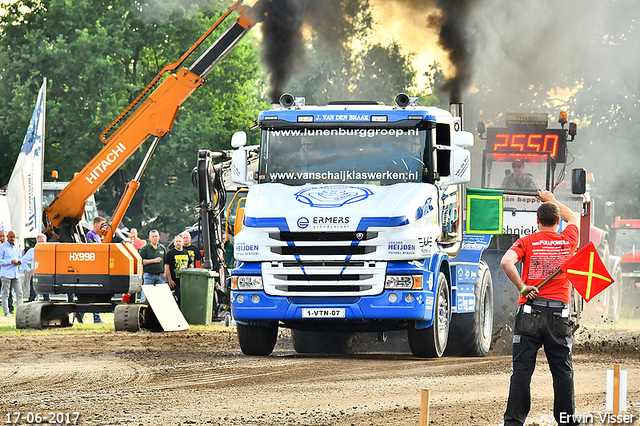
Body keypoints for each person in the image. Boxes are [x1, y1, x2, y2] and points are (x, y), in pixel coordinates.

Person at [500, 189, 580, 426]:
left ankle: (514, 422)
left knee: (522, 373)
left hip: (529, 313)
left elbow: (506, 262)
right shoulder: (569, 238)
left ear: (537, 221)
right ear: (557, 222)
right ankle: (566, 421)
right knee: (562, 372)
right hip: (559, 315)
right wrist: (551, 200)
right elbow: (573, 216)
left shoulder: (526, 241)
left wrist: (523, 287)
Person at [79, 216, 105, 323]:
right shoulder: (91, 235)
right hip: (93, 270)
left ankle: (81, 313)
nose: (103, 228)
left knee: (93, 295)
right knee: (95, 294)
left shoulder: (98, 236)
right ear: (96, 224)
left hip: (95, 269)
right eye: (102, 225)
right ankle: (95, 317)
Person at [138, 230, 166, 303]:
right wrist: (153, 260)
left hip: (160, 276)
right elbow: (141, 261)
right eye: (153, 236)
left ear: (159, 237)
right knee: (145, 297)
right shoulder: (145, 249)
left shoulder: (162, 248)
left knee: (162, 296)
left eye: (156, 236)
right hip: (149, 275)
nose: (154, 238)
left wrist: (165, 272)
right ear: (149, 238)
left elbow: (166, 262)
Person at [164, 234, 192, 308]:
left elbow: (190, 265)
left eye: (179, 241)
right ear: (174, 243)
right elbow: (167, 267)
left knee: (186, 299)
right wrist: (170, 280)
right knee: (177, 299)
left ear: (182, 242)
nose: (178, 243)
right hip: (175, 282)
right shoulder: (170, 254)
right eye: (176, 241)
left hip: (185, 281)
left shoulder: (186, 252)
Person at [21, 233, 51, 302]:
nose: (41, 244)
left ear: (46, 242)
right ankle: (28, 311)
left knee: (47, 297)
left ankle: (46, 311)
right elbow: (23, 261)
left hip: (46, 275)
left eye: (42, 242)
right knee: (32, 295)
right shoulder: (32, 251)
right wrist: (30, 271)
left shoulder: (49, 251)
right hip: (36, 275)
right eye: (39, 242)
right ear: (36, 242)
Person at [0, 231, 24, 317]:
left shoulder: (17, 247)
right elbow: (0, 261)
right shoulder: (2, 247)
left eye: (14, 237)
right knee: (6, 294)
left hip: (15, 273)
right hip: (6, 273)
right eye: (11, 237)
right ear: (7, 237)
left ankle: (20, 311)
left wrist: (20, 261)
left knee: (19, 293)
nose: (13, 239)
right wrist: (10, 261)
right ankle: (6, 312)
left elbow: (20, 257)